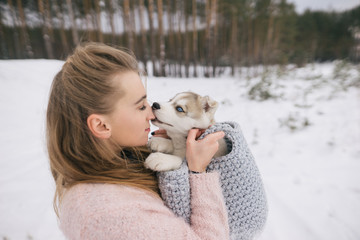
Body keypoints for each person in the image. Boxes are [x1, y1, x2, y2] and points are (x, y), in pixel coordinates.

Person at [46, 42, 229, 240]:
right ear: (101, 126)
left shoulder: (122, 162)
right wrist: (198, 172)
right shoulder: (113, 217)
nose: (151, 113)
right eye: (141, 106)